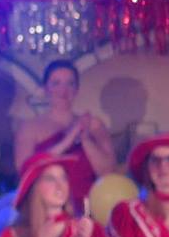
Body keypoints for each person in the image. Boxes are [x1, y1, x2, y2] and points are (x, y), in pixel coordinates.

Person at [14, 59, 116, 211]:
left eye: (70, 83)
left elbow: (107, 172)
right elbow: (26, 172)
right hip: (47, 209)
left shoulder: (94, 125)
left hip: (89, 207)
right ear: (46, 88)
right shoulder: (29, 127)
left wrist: (85, 138)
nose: (63, 90)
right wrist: (69, 138)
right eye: (56, 83)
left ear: (77, 89)